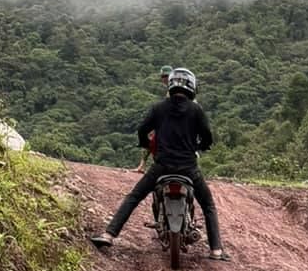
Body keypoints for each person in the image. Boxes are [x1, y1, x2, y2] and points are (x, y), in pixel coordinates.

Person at [92, 67, 226, 259]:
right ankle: (216, 250)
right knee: (208, 205)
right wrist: (199, 146)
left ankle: (109, 234)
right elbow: (207, 136)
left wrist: (148, 145)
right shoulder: (196, 110)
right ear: (192, 86)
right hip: (189, 168)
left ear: (171, 84)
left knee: (134, 197)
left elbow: (142, 130)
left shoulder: (159, 108)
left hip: (161, 166)